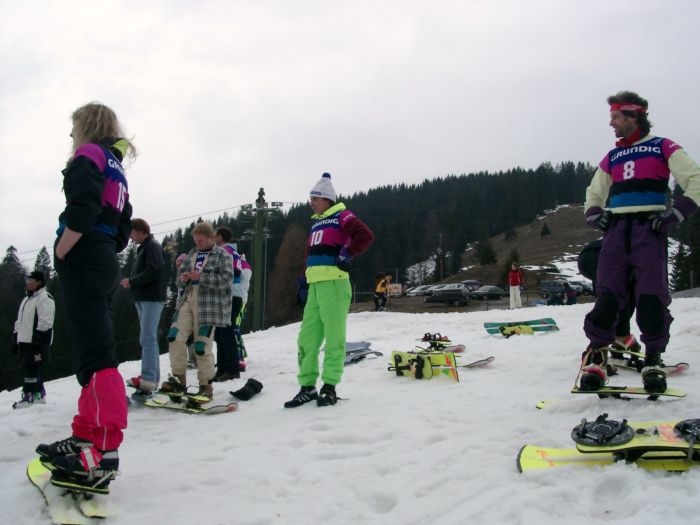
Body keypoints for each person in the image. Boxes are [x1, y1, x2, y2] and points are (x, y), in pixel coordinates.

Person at [36, 102, 134, 492]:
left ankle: (103, 451)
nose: (71, 135)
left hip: (86, 257)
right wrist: (106, 245)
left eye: (73, 127)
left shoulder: (88, 155)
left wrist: (63, 249)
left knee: (97, 356)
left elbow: (84, 207)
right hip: (104, 258)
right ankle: (85, 436)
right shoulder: (116, 166)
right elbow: (124, 223)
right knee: (91, 350)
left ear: (85, 126)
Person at [580, 91, 700, 393]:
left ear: (633, 116)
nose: (611, 123)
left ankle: (653, 359)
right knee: (608, 293)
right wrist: (594, 212)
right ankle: (597, 355)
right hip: (616, 230)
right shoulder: (613, 156)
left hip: (649, 229)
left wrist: (677, 213)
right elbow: (594, 191)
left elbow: (696, 179)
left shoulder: (663, 147)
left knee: (650, 296)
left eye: (615, 117)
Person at [284, 173, 375, 408]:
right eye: (311, 198)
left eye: (315, 198)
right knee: (307, 340)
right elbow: (310, 254)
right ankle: (307, 387)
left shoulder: (341, 216)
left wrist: (348, 253)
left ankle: (329, 387)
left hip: (334, 284)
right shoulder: (317, 222)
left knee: (334, 338)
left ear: (327, 199)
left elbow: (365, 235)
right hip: (315, 286)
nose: (311, 202)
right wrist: (303, 281)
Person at [162, 222, 232, 400]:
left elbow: (226, 280)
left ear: (210, 238)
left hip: (208, 305)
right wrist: (183, 278)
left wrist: (202, 277)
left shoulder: (222, 255)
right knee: (175, 338)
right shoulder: (192, 253)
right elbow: (178, 280)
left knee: (201, 345)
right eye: (195, 240)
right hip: (187, 300)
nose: (197, 243)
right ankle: (178, 381)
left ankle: (205, 386)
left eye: (200, 240)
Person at [121, 219, 167, 395]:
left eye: (131, 232)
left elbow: (154, 271)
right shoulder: (146, 247)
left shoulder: (152, 246)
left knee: (147, 338)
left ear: (140, 230)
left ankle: (148, 378)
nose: (130, 237)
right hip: (145, 298)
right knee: (148, 339)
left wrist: (131, 281)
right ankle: (151, 379)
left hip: (151, 298)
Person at [12, 271, 55, 409]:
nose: (28, 283)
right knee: (29, 367)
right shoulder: (27, 299)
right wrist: (16, 335)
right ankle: (39, 395)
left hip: (36, 341)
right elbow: (20, 320)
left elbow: (46, 321)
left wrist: (38, 338)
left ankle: (28, 396)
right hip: (25, 340)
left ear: (39, 282)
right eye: (27, 281)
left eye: (31, 281)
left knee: (31, 368)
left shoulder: (44, 298)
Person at [212, 226, 245, 382]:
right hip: (235, 294)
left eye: (215, 235)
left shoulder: (223, 251)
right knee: (221, 333)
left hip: (228, 294)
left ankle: (231, 369)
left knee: (225, 333)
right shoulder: (234, 251)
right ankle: (222, 368)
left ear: (220, 236)